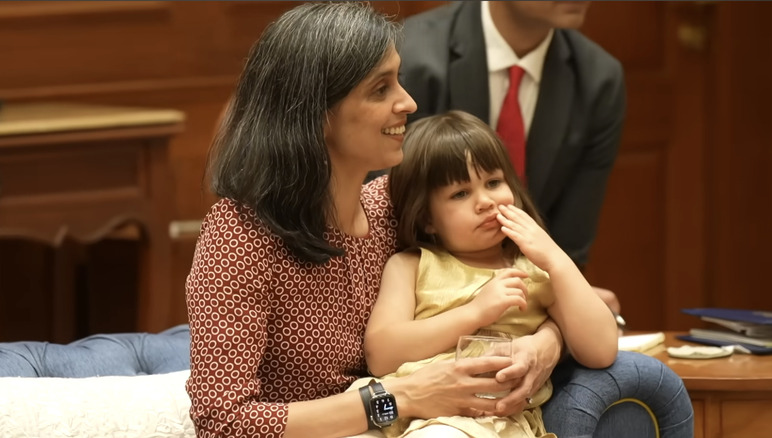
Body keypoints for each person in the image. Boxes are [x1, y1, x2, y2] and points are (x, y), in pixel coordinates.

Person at [185, 3, 564, 438]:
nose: (409, 102)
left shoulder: (396, 204)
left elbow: (541, 288)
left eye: (398, 80)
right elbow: (221, 422)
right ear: (316, 113)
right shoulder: (238, 235)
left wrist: (544, 345)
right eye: (380, 89)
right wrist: (398, 397)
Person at [359, 110, 618, 438]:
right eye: (460, 194)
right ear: (427, 219)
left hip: (485, 422)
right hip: (401, 405)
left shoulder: (534, 271)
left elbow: (601, 349)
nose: (485, 202)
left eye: (494, 182)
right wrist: (474, 312)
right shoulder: (411, 265)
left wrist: (556, 258)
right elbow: (381, 355)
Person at [368, 1, 625, 314]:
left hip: (528, 306)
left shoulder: (598, 79)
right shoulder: (406, 57)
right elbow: (380, 221)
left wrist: (551, 332)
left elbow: (569, 244)